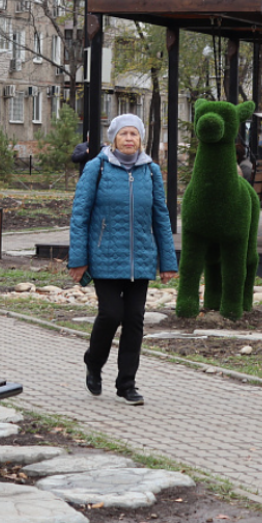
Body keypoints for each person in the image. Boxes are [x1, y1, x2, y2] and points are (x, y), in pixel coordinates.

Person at [68, 114, 177, 405]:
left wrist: (168, 261)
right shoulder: (97, 168)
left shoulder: (151, 171)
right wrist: (78, 260)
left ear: (141, 139)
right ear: (113, 138)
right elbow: (80, 216)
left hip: (140, 258)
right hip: (104, 257)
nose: (129, 139)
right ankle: (93, 361)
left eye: (134, 134)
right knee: (111, 314)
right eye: (123, 134)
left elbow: (161, 218)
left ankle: (126, 384)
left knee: (134, 320)